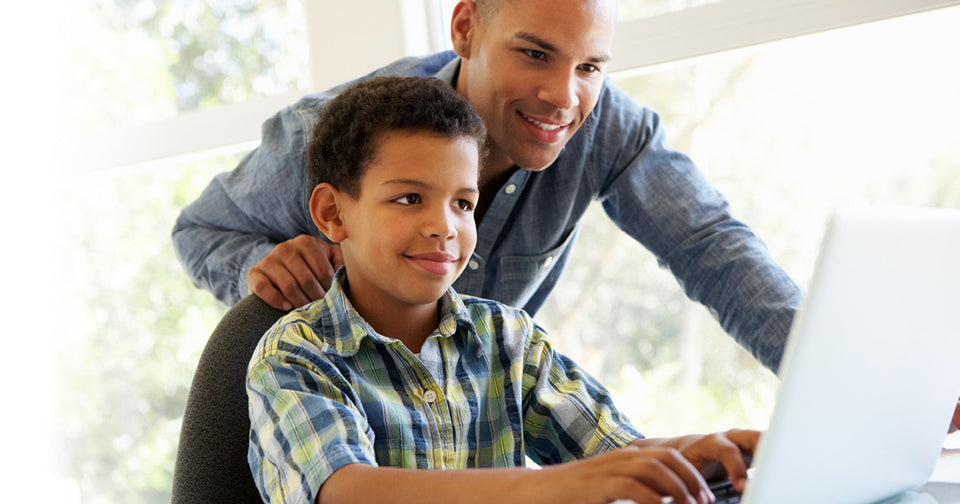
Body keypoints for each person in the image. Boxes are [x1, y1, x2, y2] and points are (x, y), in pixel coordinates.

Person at [173, 0, 802, 373]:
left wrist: (834, 384)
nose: (563, 96)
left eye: (588, 67)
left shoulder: (606, 128)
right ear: (466, 27)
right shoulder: (332, 135)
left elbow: (714, 250)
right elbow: (199, 230)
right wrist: (263, 266)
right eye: (534, 54)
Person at [247, 74, 758, 504]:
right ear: (333, 213)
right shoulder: (295, 356)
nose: (444, 227)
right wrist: (560, 486)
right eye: (409, 198)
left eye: (463, 204)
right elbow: (347, 490)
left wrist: (705, 456)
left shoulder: (508, 339)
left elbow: (616, 456)